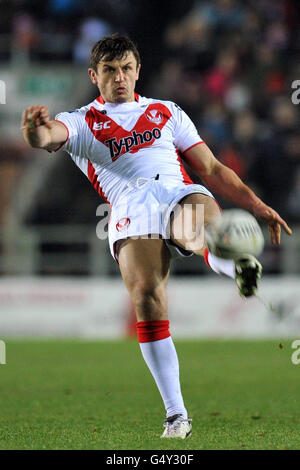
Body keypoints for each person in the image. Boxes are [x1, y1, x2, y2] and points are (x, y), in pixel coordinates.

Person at [21, 34, 292, 439]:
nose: (120, 78)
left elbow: (212, 169)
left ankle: (234, 262)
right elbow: (48, 137)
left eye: (126, 68)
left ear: (137, 70)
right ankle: (176, 415)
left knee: (200, 226)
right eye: (110, 71)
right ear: (94, 76)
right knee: (148, 297)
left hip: (178, 190)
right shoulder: (81, 121)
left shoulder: (166, 111)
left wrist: (256, 204)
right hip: (130, 207)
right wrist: (33, 130)